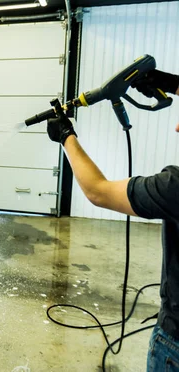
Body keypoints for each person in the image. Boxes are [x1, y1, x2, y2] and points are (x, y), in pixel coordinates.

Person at [46, 69, 179, 371]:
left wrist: (66, 136)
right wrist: (173, 83)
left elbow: (98, 191)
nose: (176, 128)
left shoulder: (174, 188)